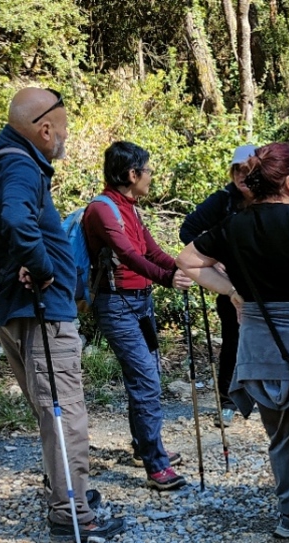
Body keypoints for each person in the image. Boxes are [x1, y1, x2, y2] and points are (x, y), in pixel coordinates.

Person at [176, 143, 289, 543]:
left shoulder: (233, 225)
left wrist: (232, 291)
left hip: (259, 342)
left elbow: (187, 261)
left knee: (281, 433)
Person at [0, 87, 124, 543]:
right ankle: (71, 514)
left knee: (51, 410)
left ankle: (68, 493)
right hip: (40, 312)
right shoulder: (21, 165)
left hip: (14, 307)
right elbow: (16, 219)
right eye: (63, 129)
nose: (65, 138)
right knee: (65, 414)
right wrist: (43, 268)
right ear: (45, 129)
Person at [82, 141, 194, 491]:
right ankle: (156, 465)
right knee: (146, 381)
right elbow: (129, 256)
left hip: (141, 303)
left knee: (147, 376)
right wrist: (168, 279)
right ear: (132, 174)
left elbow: (152, 252)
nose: (150, 176)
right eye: (147, 171)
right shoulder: (102, 211)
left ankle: (142, 445)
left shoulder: (130, 208)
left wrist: (183, 269)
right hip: (117, 306)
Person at [179, 144, 256, 426]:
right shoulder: (222, 200)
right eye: (237, 169)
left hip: (264, 283)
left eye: (247, 170)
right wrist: (215, 260)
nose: (242, 175)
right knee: (233, 340)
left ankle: (266, 396)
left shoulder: (269, 199)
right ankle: (228, 401)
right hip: (231, 285)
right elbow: (188, 230)